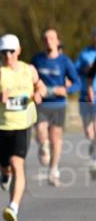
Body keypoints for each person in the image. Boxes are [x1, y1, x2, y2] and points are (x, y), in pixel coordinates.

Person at [0, 34, 46, 221]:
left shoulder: (28, 70)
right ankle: (4, 174)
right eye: (4, 51)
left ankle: (13, 207)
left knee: (18, 164)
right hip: (1, 126)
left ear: (19, 51)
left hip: (22, 126)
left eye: (11, 51)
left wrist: (39, 94)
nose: (8, 55)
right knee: (6, 167)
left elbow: (41, 87)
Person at [30, 28, 81, 186]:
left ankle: (53, 170)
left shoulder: (64, 61)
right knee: (40, 131)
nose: (49, 41)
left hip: (58, 104)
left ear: (58, 41)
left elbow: (77, 83)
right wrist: (35, 92)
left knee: (56, 139)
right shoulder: (37, 60)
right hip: (42, 103)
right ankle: (43, 146)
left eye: (52, 38)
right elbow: (29, 78)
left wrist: (65, 90)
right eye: (46, 38)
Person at [74, 27, 96, 178]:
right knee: (89, 132)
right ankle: (93, 146)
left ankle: (95, 160)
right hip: (85, 96)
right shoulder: (85, 53)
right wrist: (83, 68)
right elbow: (75, 70)